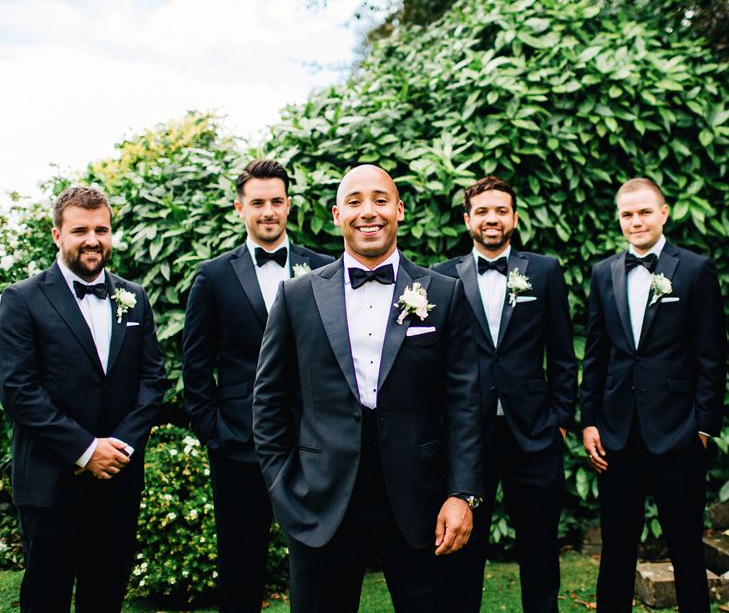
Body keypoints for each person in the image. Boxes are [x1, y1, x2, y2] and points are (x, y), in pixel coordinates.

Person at [252, 164, 483, 612]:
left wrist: (462, 494)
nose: (368, 212)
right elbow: (269, 400)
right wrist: (284, 485)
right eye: (354, 202)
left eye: (380, 199)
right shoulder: (297, 296)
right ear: (337, 215)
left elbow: (465, 403)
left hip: (421, 503)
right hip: (322, 500)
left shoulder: (444, 293)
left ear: (399, 210)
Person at [0, 186, 166, 613]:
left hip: (118, 482)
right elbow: (19, 391)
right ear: (57, 235)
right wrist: (86, 450)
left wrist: (122, 446)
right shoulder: (21, 300)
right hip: (51, 484)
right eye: (80, 230)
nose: (93, 239)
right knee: (45, 599)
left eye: (102, 229)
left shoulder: (134, 297)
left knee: (106, 597)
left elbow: (152, 381)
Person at [182, 159, 333, 612]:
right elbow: (195, 363)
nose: (268, 211)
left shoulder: (324, 268)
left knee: (317, 561)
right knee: (240, 561)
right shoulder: (213, 276)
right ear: (239, 207)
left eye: (277, 202)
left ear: (288, 206)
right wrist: (214, 432)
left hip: (312, 442)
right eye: (258, 203)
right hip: (236, 442)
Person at [432, 176, 577, 612]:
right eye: (482, 211)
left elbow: (563, 352)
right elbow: (437, 363)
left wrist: (560, 420)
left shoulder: (545, 270)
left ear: (513, 218)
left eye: (500, 211)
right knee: (463, 550)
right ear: (467, 220)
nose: (491, 219)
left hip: (533, 433)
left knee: (539, 549)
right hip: (468, 438)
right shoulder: (443, 277)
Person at [581, 177, 726, 612]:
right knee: (617, 547)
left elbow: (712, 356)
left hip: (679, 436)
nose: (636, 221)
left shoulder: (696, 270)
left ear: (664, 213)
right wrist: (590, 420)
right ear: (619, 219)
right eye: (627, 214)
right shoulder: (603, 272)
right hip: (617, 436)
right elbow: (596, 353)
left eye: (644, 211)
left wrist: (703, 428)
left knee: (685, 547)